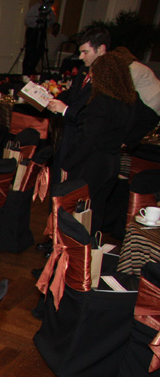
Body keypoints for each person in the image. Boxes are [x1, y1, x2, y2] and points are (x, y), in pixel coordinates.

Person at [61, 53, 137, 234]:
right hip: (112, 162)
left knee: (76, 211)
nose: (91, 77)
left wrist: (67, 164)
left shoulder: (101, 102)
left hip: (92, 163)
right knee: (96, 211)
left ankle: (72, 250)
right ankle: (91, 249)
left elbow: (87, 140)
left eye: (93, 73)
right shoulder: (128, 101)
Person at [46, 27, 109, 177]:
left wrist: (65, 110)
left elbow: (93, 117)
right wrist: (50, 98)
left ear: (101, 49)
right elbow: (72, 97)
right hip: (68, 137)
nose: (81, 57)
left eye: (85, 52)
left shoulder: (108, 78)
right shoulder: (83, 71)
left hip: (85, 147)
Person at [110, 46, 160, 139]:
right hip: (154, 98)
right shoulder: (138, 66)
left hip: (150, 100)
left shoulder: (133, 68)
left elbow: (126, 89)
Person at [23, 3, 56, 75]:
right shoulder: (35, 7)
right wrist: (37, 19)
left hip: (42, 30)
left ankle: (32, 69)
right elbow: (27, 20)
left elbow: (53, 20)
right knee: (29, 52)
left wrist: (47, 17)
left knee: (39, 52)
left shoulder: (49, 9)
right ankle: (25, 73)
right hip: (33, 30)